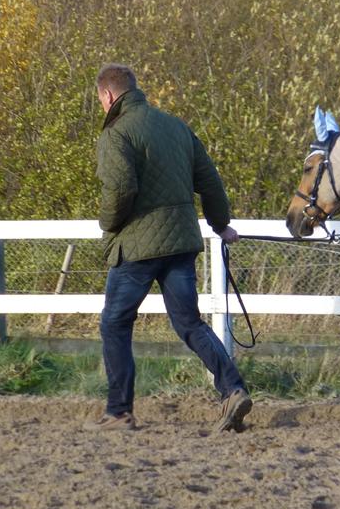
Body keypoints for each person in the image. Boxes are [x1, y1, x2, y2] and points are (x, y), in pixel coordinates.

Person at [84, 63, 252, 433]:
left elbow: (121, 189)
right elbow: (209, 180)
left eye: (100, 100)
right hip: (180, 242)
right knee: (189, 323)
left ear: (108, 96)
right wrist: (220, 225)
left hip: (138, 247)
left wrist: (109, 223)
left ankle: (119, 412)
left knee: (114, 324)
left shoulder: (115, 133)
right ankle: (233, 390)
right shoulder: (176, 126)